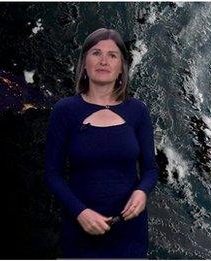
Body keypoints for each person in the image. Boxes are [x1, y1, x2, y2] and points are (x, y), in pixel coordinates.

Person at [44, 28, 159, 258]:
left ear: (121, 69)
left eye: (112, 55)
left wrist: (142, 192)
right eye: (96, 53)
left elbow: (150, 169)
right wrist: (80, 212)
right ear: (84, 63)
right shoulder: (65, 110)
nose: (104, 60)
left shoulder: (137, 111)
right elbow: (52, 174)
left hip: (129, 234)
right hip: (79, 232)